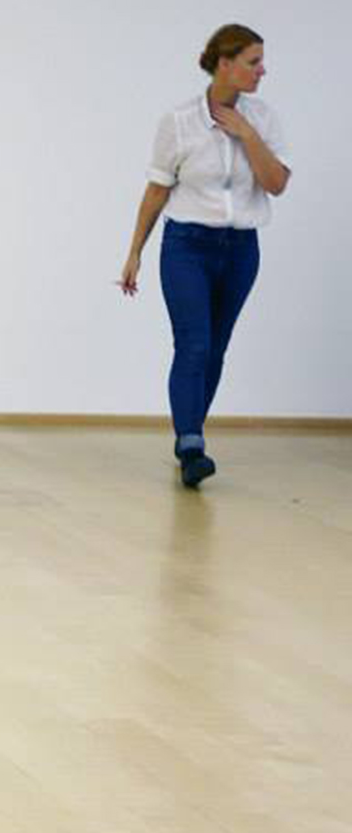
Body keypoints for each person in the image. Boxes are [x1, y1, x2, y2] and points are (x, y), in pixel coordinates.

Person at [119, 24, 292, 487]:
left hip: (240, 251)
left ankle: (191, 434)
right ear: (224, 64)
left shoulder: (264, 119)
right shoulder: (179, 122)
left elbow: (276, 184)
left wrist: (247, 135)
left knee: (215, 348)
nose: (262, 70)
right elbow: (157, 190)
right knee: (193, 343)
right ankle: (191, 444)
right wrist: (134, 252)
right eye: (253, 62)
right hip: (187, 247)